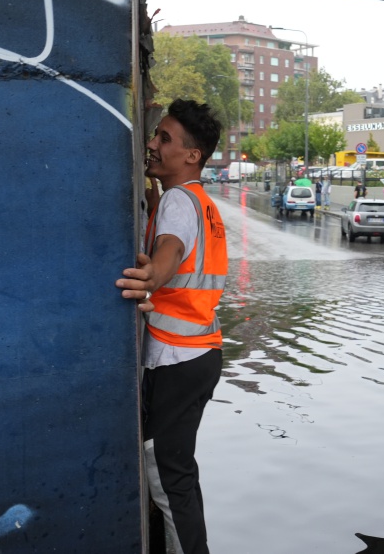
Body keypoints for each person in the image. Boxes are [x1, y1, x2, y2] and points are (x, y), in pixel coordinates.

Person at [116, 99, 227, 554]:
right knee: (178, 471)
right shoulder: (197, 202)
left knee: (166, 476)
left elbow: (170, 249)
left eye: (164, 138)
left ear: (192, 155)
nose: (152, 143)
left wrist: (151, 275)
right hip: (200, 353)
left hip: (177, 357)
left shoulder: (180, 202)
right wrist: (150, 197)